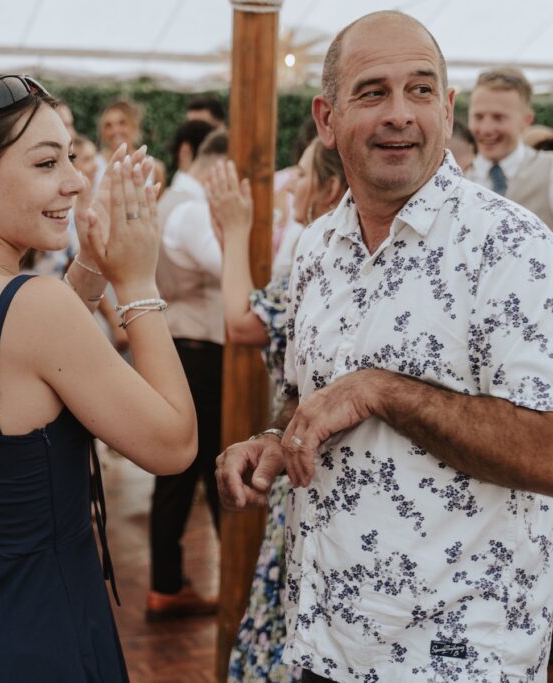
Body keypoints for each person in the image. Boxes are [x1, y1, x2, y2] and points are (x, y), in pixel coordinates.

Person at [217, 11, 553, 682]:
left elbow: (545, 451)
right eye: (373, 92)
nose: (400, 113)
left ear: (446, 109)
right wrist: (275, 439)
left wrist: (381, 391)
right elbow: (305, 396)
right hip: (323, 643)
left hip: (456, 657)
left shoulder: (511, 246)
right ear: (327, 118)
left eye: (420, 90)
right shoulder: (315, 246)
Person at [0, 75, 197, 680]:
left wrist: (90, 267)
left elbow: (20, 363)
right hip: (38, 623)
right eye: (48, 162)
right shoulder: (35, 307)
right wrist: (137, 282)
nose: (75, 182)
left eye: (72, 157)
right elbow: (174, 444)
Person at [208, 138, 347, 683]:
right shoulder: (317, 248)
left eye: (304, 174)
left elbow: (242, 321)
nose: (292, 186)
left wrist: (237, 230)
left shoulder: (330, 251)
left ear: (330, 188)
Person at [147, 129, 228, 621]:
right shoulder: (192, 209)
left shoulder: (169, 201)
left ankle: (167, 581)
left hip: (181, 342)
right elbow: (232, 269)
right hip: (200, 348)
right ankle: (227, 580)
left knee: (181, 471)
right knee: (210, 465)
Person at [467, 66, 553, 228]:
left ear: (526, 120)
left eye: (498, 117)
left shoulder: (549, 170)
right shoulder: (457, 174)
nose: (486, 129)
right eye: (478, 117)